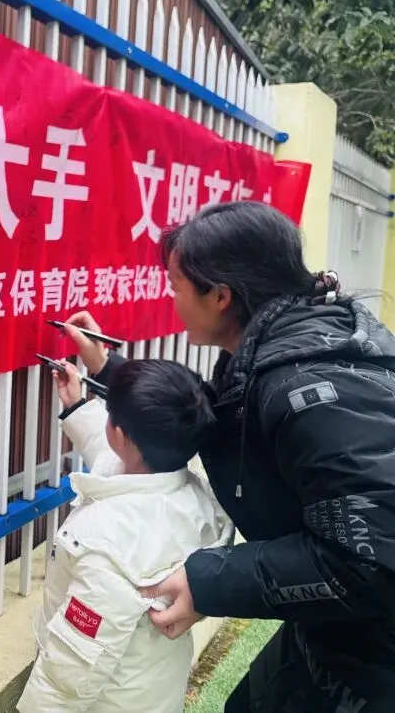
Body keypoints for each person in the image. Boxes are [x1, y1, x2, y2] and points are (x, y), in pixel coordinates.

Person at [62, 200, 395, 712]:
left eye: (176, 286)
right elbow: (221, 422)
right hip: (335, 631)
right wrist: (109, 371)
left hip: (375, 658)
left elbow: (369, 560)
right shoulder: (287, 348)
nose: (172, 300)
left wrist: (209, 581)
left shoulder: (311, 389)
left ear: (220, 296)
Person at [16, 358, 231, 713]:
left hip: (108, 701)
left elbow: (72, 670)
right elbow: (111, 455)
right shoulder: (189, 494)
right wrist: (77, 406)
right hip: (154, 689)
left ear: (120, 434)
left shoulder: (107, 542)